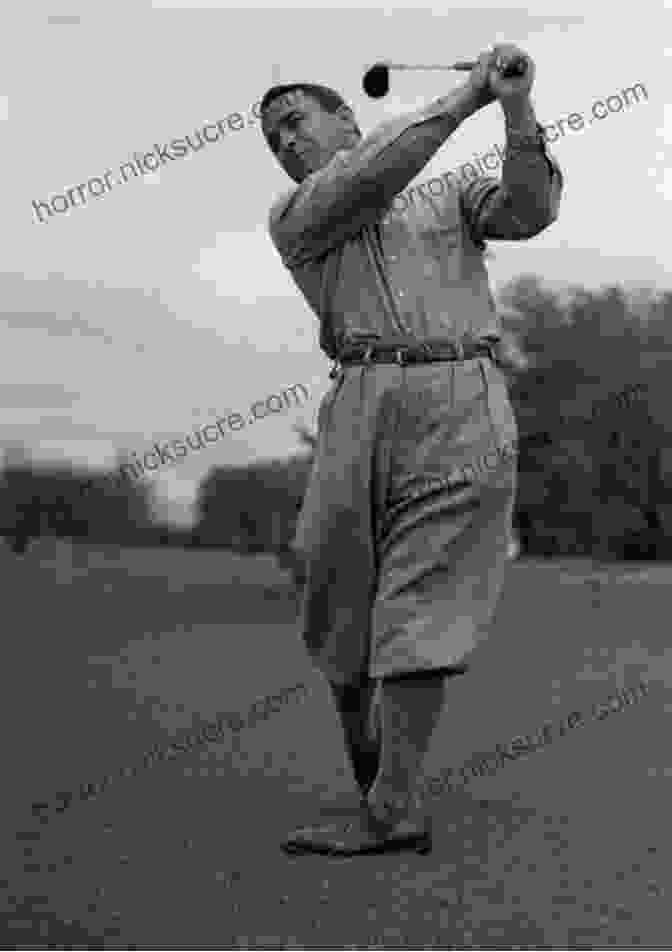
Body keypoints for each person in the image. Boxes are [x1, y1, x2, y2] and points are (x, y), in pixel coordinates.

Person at [260, 44, 562, 856]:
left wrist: (517, 112)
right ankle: (375, 782)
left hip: (460, 392)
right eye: (273, 138)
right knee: (334, 597)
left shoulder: (448, 188)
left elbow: (529, 212)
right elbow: (367, 181)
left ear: (347, 117)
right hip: (357, 397)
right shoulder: (297, 215)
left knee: (423, 600)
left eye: (295, 122)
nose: (286, 143)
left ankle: (394, 806)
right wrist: (469, 94)